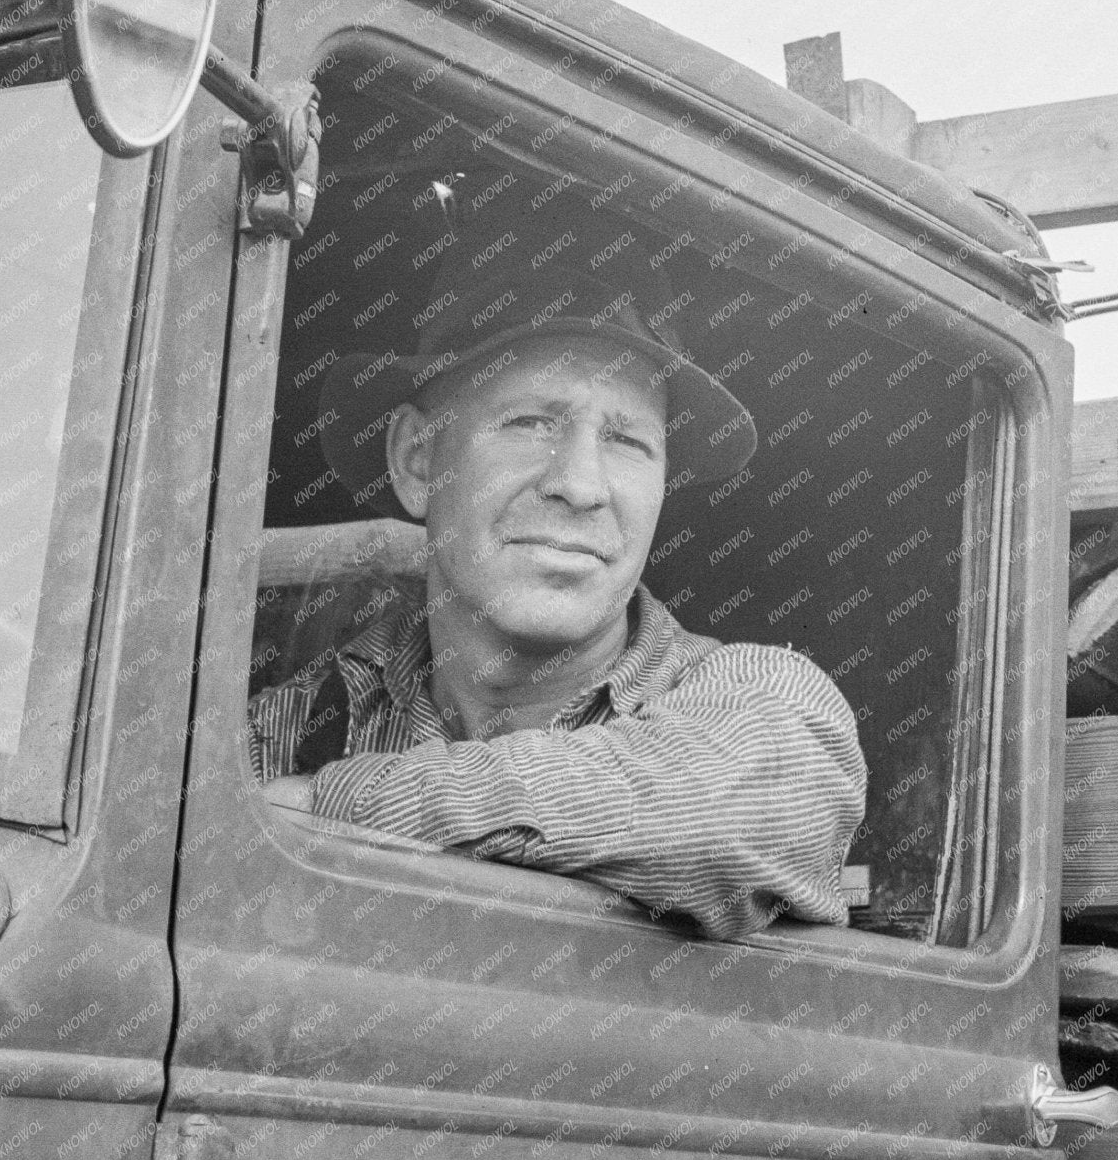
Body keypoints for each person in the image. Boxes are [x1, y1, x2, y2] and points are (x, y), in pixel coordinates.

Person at [251, 266, 868, 941]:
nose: (579, 485)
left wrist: (319, 807)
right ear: (419, 460)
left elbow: (721, 813)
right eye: (531, 422)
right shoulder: (297, 721)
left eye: (627, 441)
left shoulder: (762, 700)